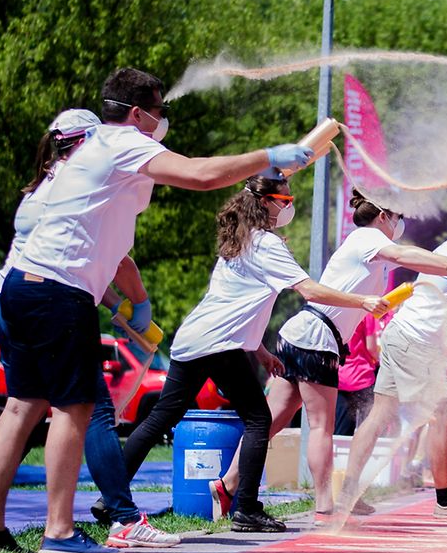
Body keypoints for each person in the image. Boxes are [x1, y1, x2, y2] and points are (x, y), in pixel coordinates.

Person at [0, 67, 314, 553]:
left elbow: (114, 243)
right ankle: (60, 530)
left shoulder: (96, 149)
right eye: (159, 111)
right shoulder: (122, 143)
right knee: (75, 410)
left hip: (22, 286)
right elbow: (201, 175)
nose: (163, 120)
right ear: (136, 114)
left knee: (21, 405)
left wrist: (130, 302)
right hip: (60, 291)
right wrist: (268, 156)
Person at [121, 173, 386, 532]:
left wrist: (260, 350)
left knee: (160, 419)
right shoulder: (265, 244)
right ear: (267, 202)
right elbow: (309, 291)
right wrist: (363, 301)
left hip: (197, 338)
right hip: (219, 343)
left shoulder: (239, 240)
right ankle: (245, 508)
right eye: (286, 201)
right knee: (259, 419)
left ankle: (112, 497)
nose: (290, 207)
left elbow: (240, 302)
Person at [0, 109, 179, 553]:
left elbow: (79, 255)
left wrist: (113, 302)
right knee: (89, 407)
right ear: (90, 141)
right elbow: (110, 259)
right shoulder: (86, 178)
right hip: (53, 297)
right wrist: (136, 302)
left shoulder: (45, 181)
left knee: (22, 405)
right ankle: (105, 520)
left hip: (10, 293)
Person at [212, 189, 447, 522]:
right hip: (317, 338)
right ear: (383, 217)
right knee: (320, 427)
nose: (401, 223)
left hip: (302, 332)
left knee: (270, 422)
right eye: (398, 217)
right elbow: (405, 256)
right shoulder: (367, 238)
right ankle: (325, 509)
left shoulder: (367, 247)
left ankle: (228, 484)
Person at [337, 194, 447, 522]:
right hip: (419, 342)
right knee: (440, 417)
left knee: (379, 415)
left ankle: (348, 495)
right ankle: (445, 502)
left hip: (401, 335)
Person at [335, 311, 391, 436]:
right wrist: (381, 362)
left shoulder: (340, 311)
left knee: (341, 432)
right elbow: (371, 347)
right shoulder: (366, 314)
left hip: (341, 378)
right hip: (362, 377)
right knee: (372, 429)